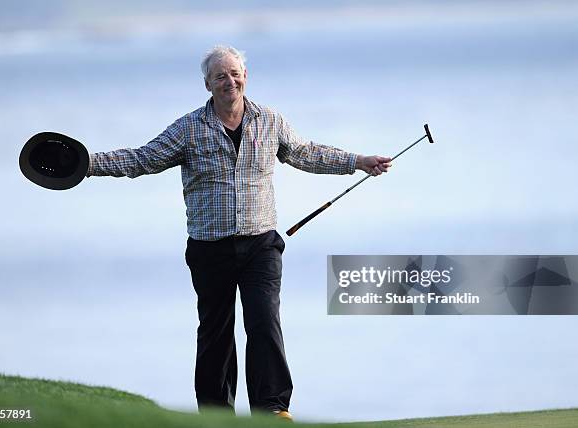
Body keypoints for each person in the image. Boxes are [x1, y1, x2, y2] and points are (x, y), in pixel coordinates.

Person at [86, 45, 392, 421]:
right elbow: (141, 159)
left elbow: (306, 153)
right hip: (209, 248)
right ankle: (216, 415)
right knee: (216, 332)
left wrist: (357, 162)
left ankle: (273, 409)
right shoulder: (188, 129)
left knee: (264, 321)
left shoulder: (270, 120)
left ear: (245, 76)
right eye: (220, 76)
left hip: (260, 244)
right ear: (207, 84)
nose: (229, 81)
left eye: (234, 74)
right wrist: (86, 164)